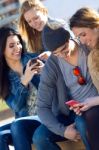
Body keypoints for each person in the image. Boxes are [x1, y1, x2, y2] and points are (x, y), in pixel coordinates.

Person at [32, 25, 99, 150]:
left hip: (95, 104)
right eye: (56, 53)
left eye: (64, 49)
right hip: (75, 113)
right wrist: (63, 131)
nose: (63, 55)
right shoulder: (52, 65)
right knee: (39, 137)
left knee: (83, 124)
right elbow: (42, 107)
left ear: (70, 37)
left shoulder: (88, 47)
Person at [0, 26, 44, 150]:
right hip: (25, 119)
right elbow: (16, 106)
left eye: (18, 43)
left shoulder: (33, 60)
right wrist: (24, 82)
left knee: (17, 125)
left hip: (44, 115)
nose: (17, 48)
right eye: (11, 46)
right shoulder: (3, 78)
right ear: (2, 50)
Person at [69, 7, 99, 150]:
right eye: (78, 37)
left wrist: (95, 100)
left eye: (83, 34)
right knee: (91, 115)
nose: (83, 41)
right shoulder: (93, 55)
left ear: (95, 25)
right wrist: (88, 103)